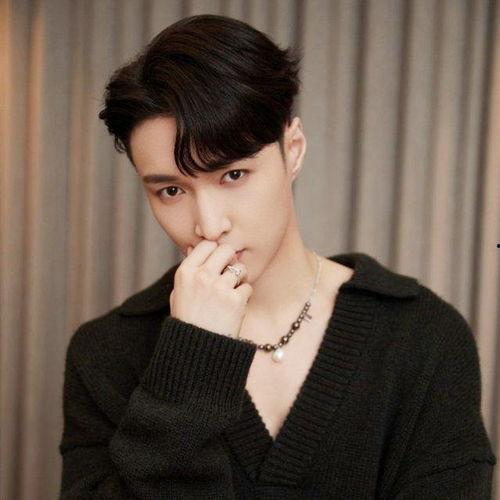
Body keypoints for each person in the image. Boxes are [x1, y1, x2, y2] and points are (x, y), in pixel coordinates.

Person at [58, 14, 496, 499]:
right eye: (171, 190)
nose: (209, 226)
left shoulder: (423, 338)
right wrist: (193, 357)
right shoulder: (106, 354)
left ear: (294, 150)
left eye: (233, 175)